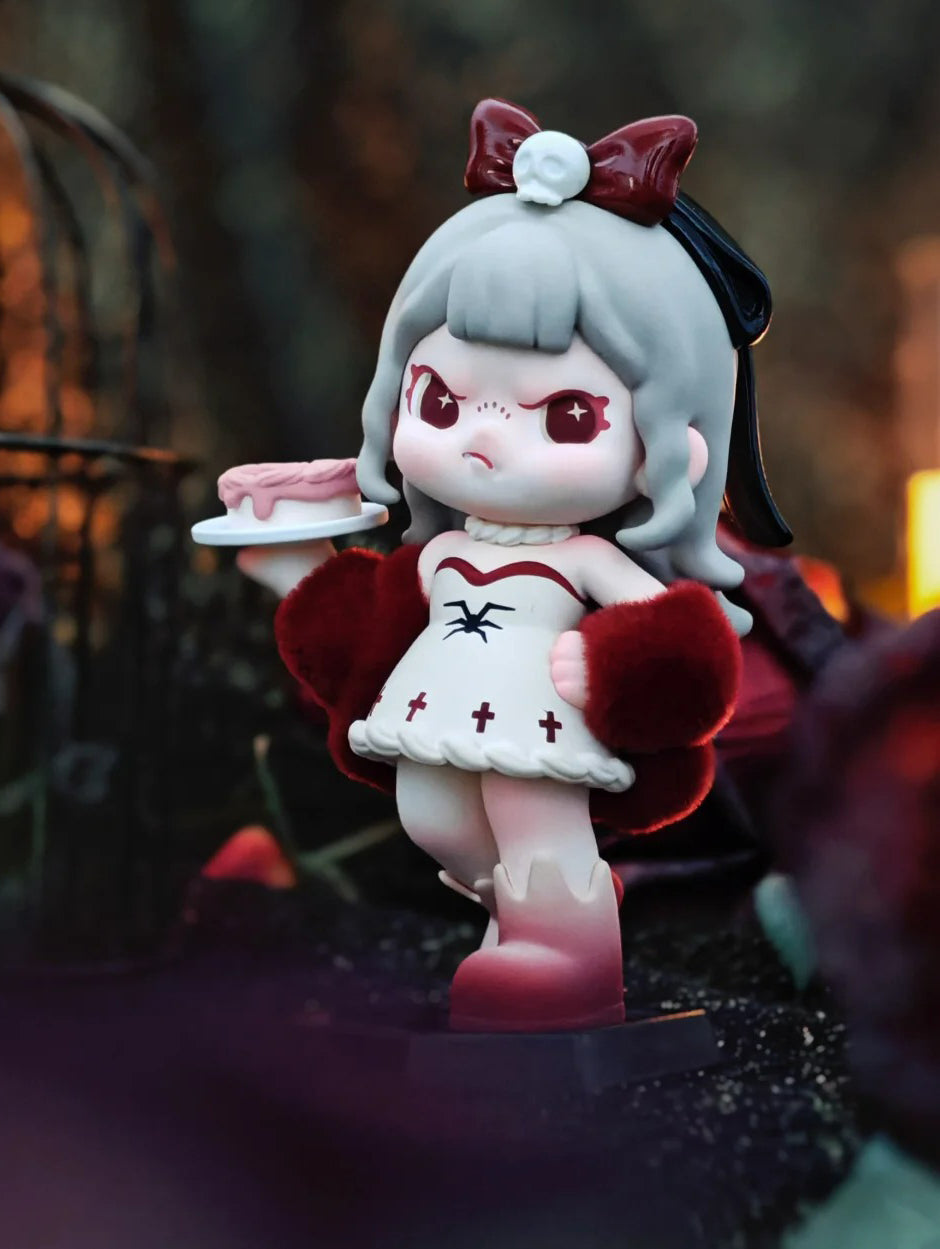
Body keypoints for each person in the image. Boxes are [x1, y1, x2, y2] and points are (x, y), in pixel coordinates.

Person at [242, 99, 789, 1032]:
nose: (483, 443)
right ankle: (527, 917)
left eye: (565, 416)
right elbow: (364, 632)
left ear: (675, 448)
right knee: (435, 809)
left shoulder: (587, 561)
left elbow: (684, 647)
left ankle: (569, 952)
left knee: (531, 808)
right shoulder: (444, 553)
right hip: (441, 718)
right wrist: (291, 557)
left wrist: (612, 667)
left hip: (545, 727)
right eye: (441, 402)